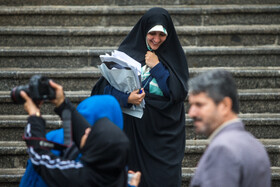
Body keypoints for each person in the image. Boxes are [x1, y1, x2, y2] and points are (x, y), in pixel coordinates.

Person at [92, 7, 189, 186]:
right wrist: (126, 99)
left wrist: (158, 67)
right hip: (132, 135)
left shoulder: (175, 59)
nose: (156, 39)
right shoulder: (126, 55)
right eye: (152, 33)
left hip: (163, 138)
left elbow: (177, 94)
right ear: (144, 30)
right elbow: (101, 91)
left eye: (162, 34)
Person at [20, 80, 131, 187]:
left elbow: (39, 157)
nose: (86, 130)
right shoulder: (117, 171)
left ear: (96, 148)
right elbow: (83, 131)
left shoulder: (81, 177)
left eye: (91, 133)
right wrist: (62, 103)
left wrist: (35, 116)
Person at [188, 69, 271, 187]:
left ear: (225, 105)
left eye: (199, 105)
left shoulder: (222, 149)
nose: (191, 113)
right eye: (191, 105)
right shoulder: (254, 144)